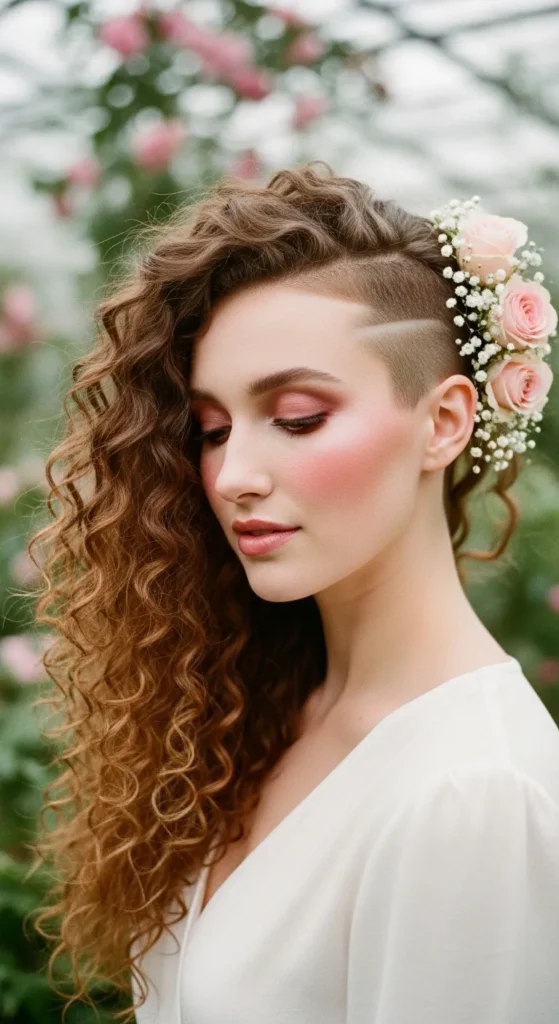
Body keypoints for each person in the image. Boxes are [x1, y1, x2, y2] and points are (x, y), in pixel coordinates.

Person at [30, 163, 559, 1024]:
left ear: (444, 422)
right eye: (211, 429)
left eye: (299, 417)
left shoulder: (470, 796)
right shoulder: (262, 712)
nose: (233, 475)